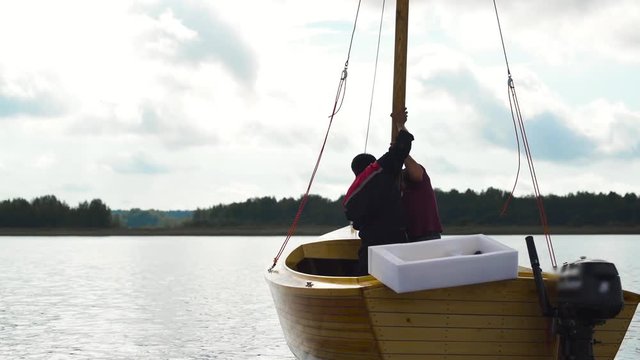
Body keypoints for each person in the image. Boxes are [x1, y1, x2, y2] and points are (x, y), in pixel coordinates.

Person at [343, 111, 413, 276]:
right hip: (396, 242)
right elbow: (403, 146)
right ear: (371, 165)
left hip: (371, 247)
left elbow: (356, 221)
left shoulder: (350, 196)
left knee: (365, 275)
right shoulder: (379, 170)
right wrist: (400, 123)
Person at [401, 155, 443, 241]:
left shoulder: (415, 172)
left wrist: (400, 150)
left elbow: (417, 175)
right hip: (408, 237)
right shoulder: (391, 183)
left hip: (427, 235)